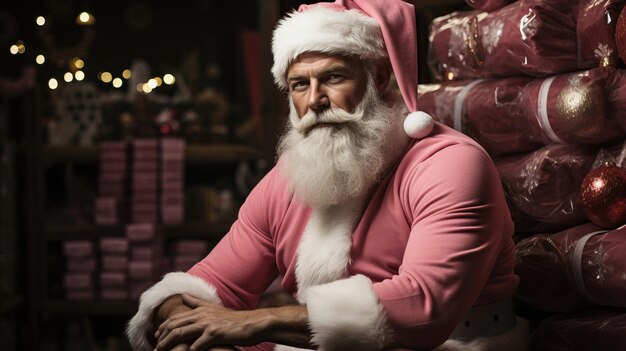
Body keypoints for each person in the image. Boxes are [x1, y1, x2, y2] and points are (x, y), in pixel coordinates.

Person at [126, 0, 528, 350]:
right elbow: (213, 283)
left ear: (379, 79)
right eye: (300, 84)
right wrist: (181, 325)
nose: (315, 100)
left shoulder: (449, 164)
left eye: (334, 77)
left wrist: (252, 322)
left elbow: (425, 304)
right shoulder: (288, 179)